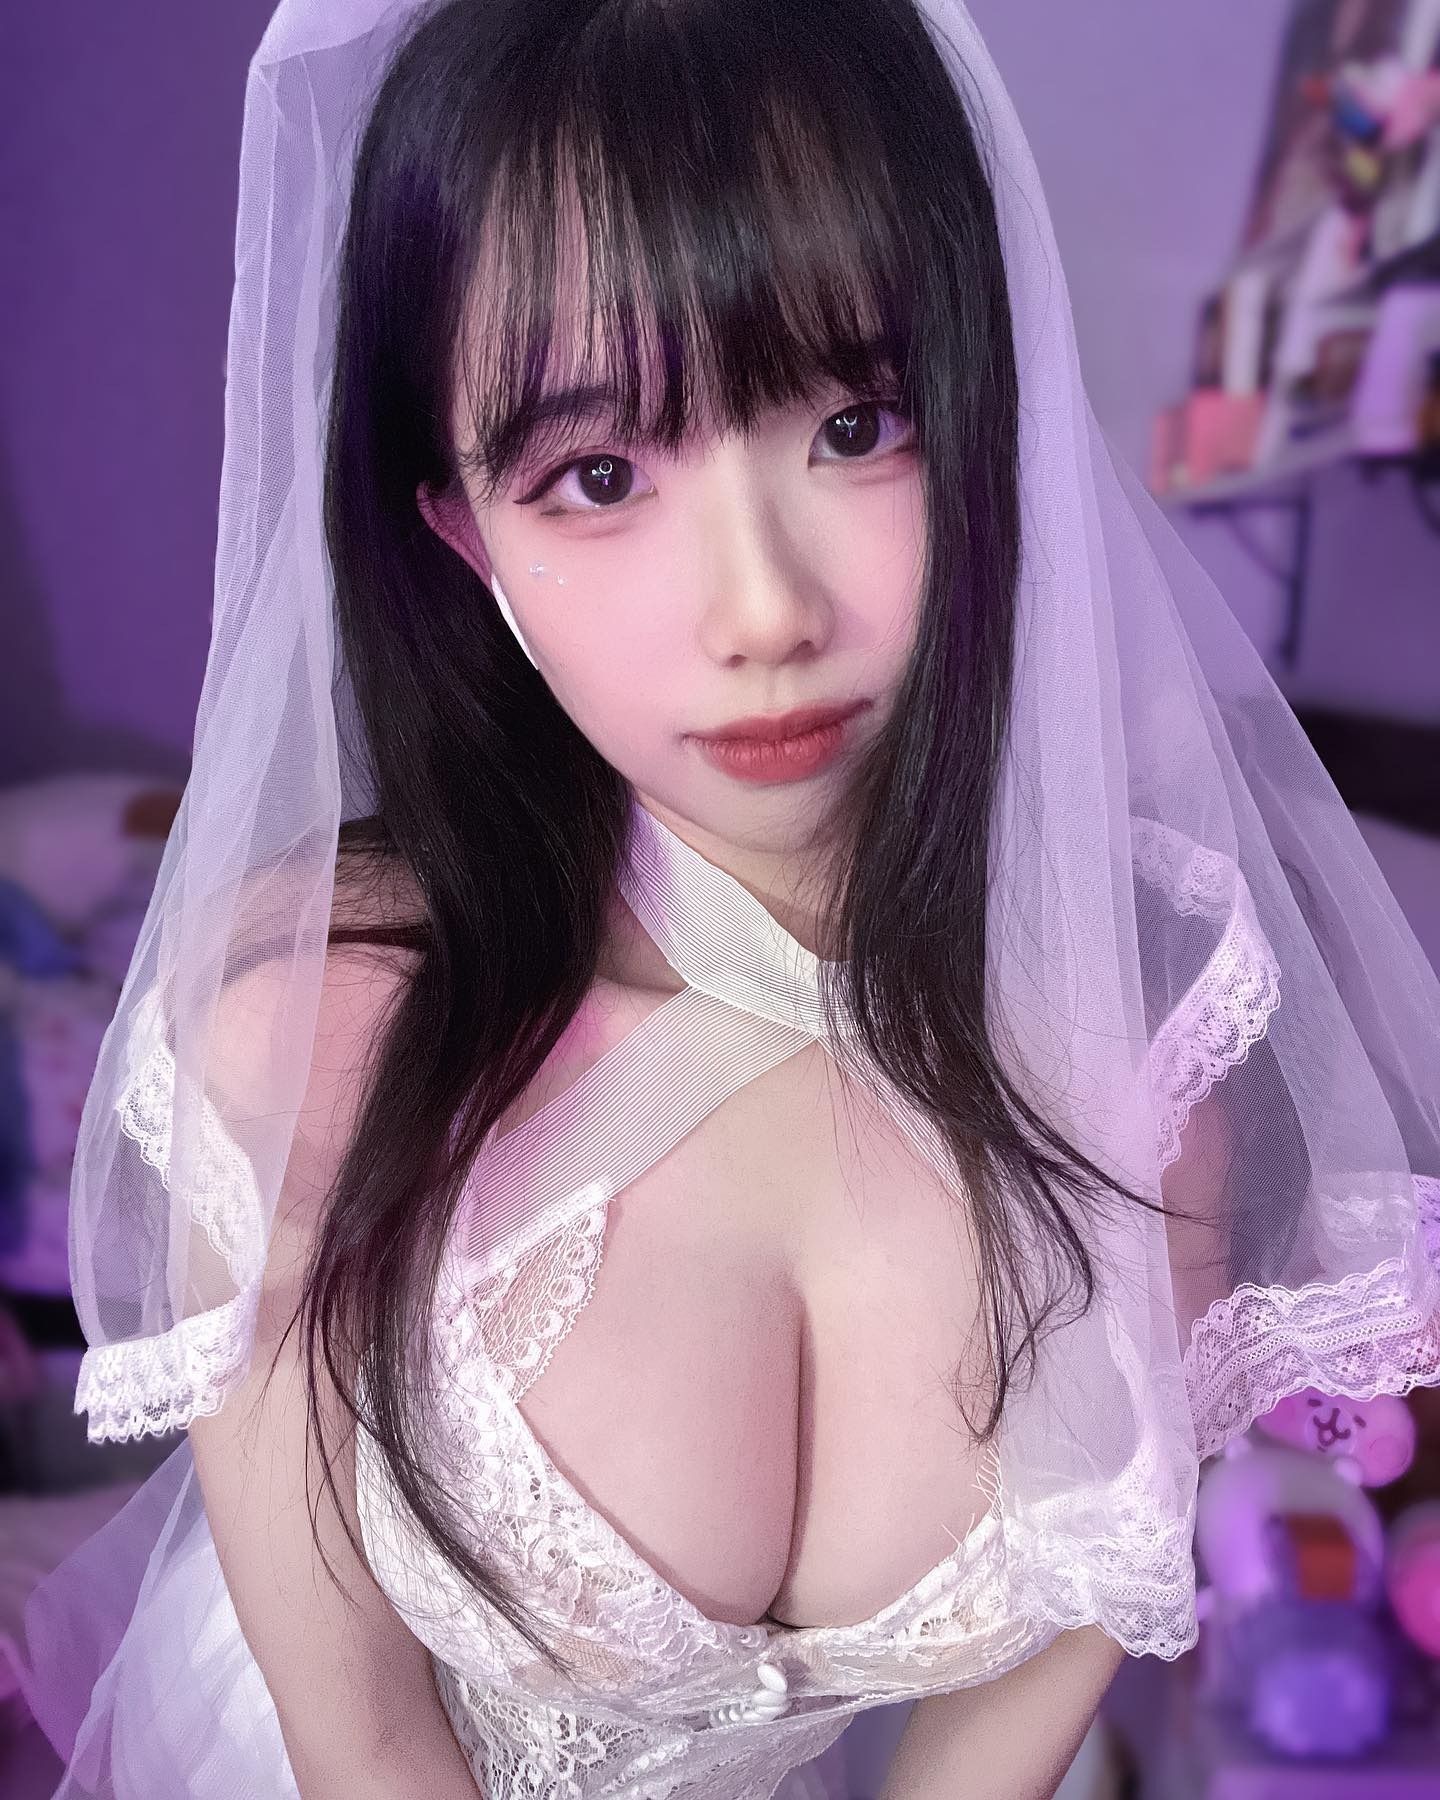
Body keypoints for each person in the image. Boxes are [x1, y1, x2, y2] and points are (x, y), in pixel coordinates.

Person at [15, 0, 1440, 1795]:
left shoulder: (1148, 1060)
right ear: (462, 529)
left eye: (858, 423)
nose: (765, 608)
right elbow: (359, 1738)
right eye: (600, 475)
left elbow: (1081, 1621)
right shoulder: (315, 1043)